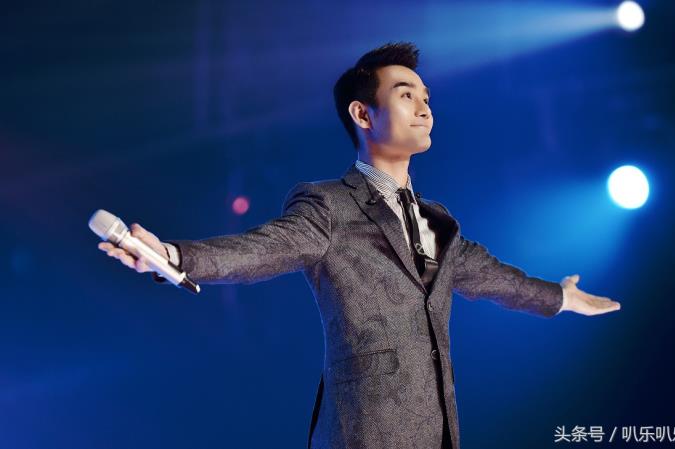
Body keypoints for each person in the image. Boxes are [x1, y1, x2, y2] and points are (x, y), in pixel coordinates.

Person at [98, 42, 621, 449]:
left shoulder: (439, 222)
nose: (424, 107)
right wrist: (174, 256)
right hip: (364, 431)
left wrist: (559, 296)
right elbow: (264, 248)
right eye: (406, 94)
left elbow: (492, 277)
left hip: (438, 432)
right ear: (363, 114)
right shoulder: (329, 204)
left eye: (426, 97)